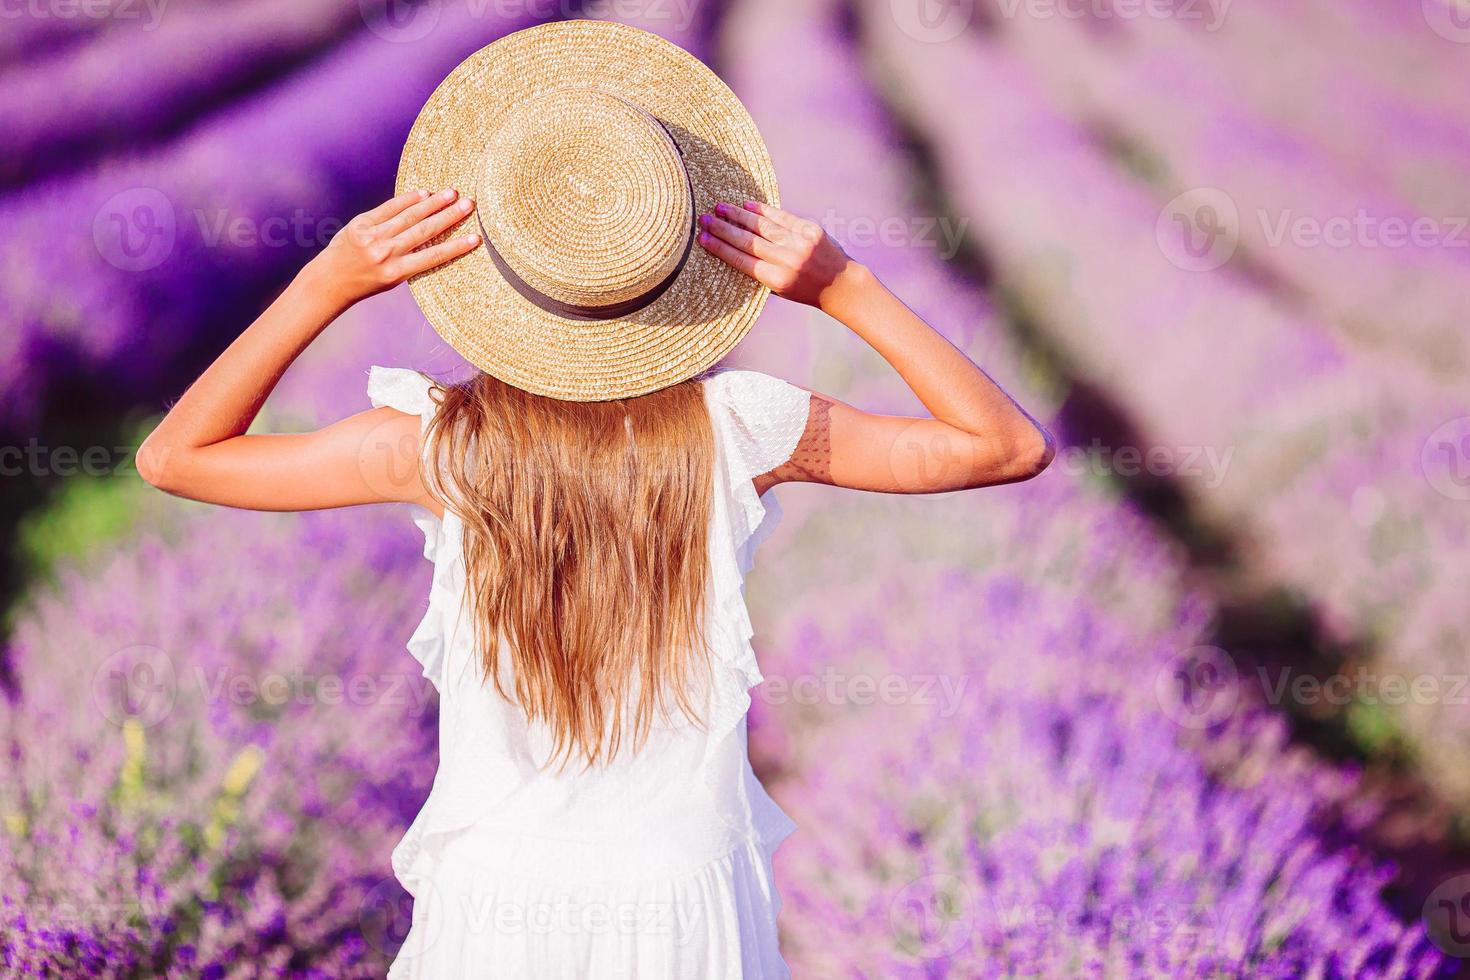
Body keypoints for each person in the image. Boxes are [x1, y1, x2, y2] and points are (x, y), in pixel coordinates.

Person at [137, 20, 1051, 980]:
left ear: (492, 272)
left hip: (496, 898)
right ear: (664, 274)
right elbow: (1005, 446)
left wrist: (326, 282)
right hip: (679, 897)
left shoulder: (437, 448)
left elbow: (177, 456)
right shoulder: (741, 428)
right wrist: (846, 287)